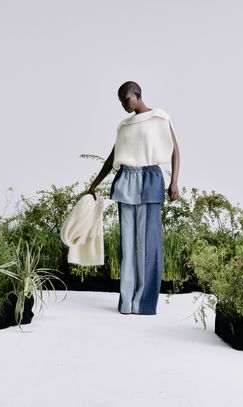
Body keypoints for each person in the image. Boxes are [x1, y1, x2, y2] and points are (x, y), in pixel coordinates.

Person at [86, 81, 180, 315]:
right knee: (127, 247)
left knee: (148, 245)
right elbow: (111, 159)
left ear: (137, 95)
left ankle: (144, 302)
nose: (123, 105)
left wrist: (174, 182)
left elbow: (175, 150)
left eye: (125, 99)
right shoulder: (125, 126)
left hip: (150, 180)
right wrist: (93, 185)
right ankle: (127, 302)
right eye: (120, 101)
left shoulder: (159, 118)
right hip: (126, 180)